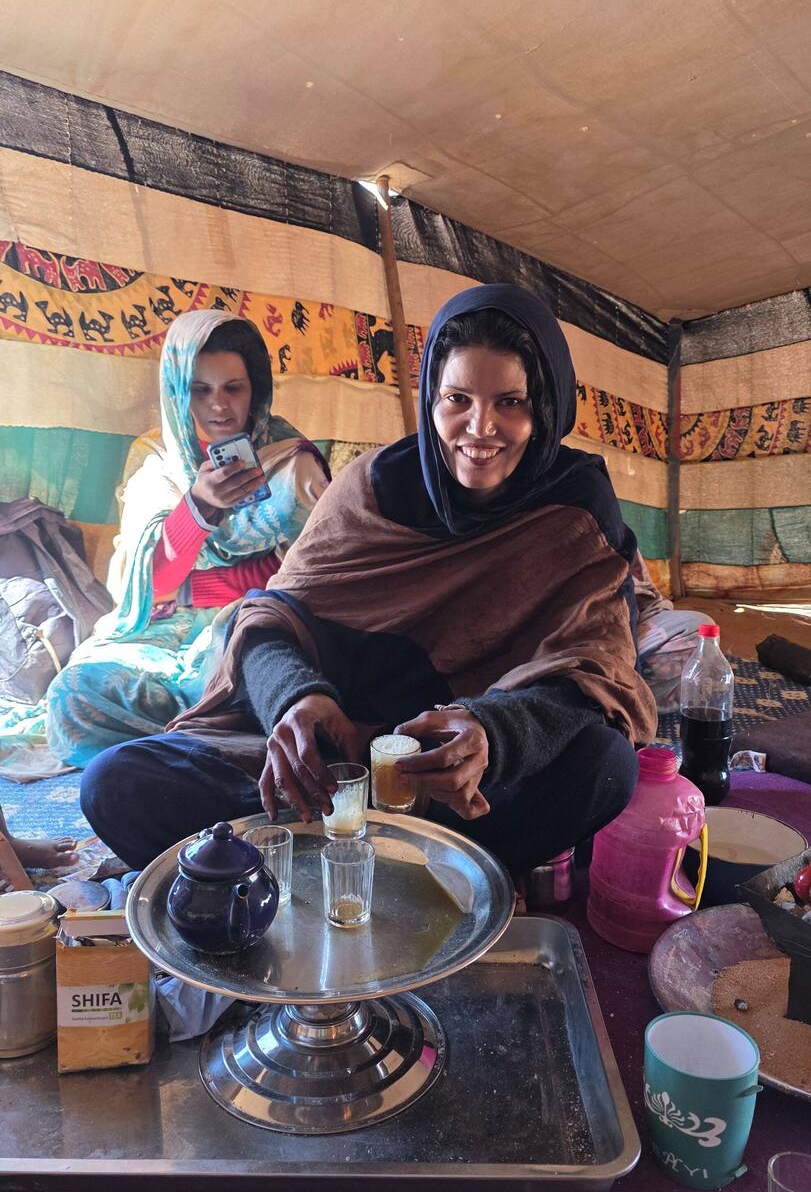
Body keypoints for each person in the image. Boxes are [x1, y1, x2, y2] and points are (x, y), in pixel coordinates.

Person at [81, 284, 657, 875]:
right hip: (332, 769)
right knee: (115, 781)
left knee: (604, 764)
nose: (479, 428)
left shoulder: (576, 510)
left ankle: (313, 871)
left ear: (549, 406)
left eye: (510, 402)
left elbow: (594, 669)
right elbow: (268, 618)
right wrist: (298, 698)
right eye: (456, 398)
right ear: (430, 398)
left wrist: (494, 733)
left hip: (460, 783)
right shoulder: (373, 487)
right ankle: (409, 874)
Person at [46, 311, 329, 768]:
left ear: (255, 388)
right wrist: (198, 509)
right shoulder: (157, 461)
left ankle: (190, 744)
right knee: (72, 698)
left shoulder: (291, 466)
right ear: (179, 392)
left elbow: (310, 576)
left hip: (246, 632)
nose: (219, 406)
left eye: (233, 388)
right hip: (158, 637)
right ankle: (214, 740)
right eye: (201, 390)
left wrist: (205, 590)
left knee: (275, 676)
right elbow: (144, 588)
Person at [632, 553, 713, 713]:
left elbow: (650, 603)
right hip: (579, 653)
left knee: (701, 630)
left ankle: (619, 702)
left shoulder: (612, 535)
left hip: (627, 643)